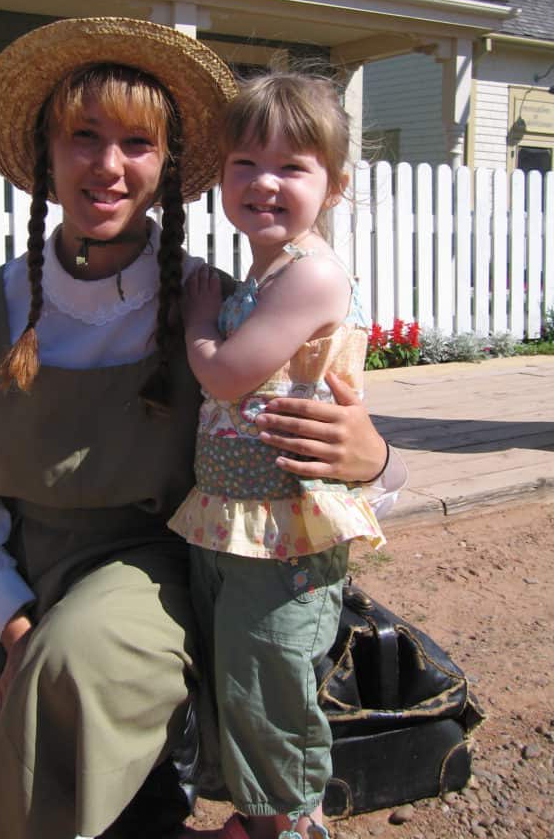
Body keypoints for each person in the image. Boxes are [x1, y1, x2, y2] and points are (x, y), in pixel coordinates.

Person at [0, 18, 405, 839]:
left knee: (74, 665)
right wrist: (10, 614)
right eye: (83, 136)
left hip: (153, 562)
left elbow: (312, 436)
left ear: (170, 166)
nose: (107, 166)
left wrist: (377, 460)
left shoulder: (210, 306)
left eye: (137, 142)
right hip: (17, 573)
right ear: (44, 154)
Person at [169, 71, 397, 839]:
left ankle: (291, 822)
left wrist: (201, 321)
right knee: (236, 671)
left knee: (269, 675)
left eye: (291, 167)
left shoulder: (313, 273)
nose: (264, 182)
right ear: (221, 176)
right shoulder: (264, 276)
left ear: (331, 186)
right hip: (235, 517)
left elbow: (228, 374)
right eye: (245, 164)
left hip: (285, 524)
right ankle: (258, 811)